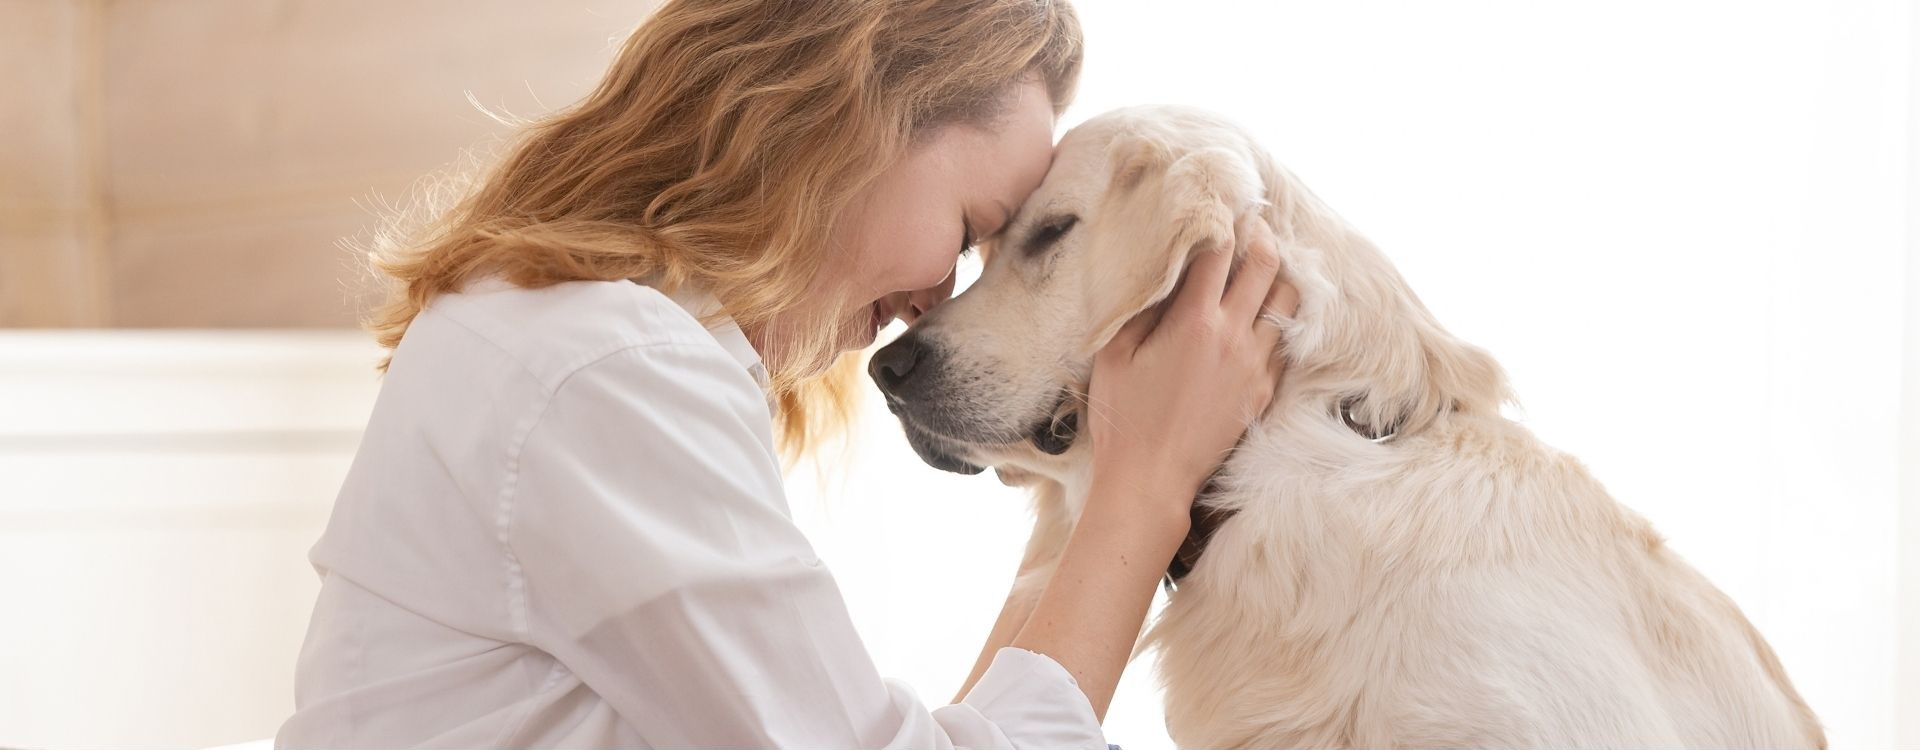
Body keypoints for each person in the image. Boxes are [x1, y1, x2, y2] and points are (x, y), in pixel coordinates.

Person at [278, 1, 1292, 747]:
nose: (939, 298)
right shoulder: (607, 369)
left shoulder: (567, 330)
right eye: (973, 231)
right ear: (849, 120)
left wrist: (1082, 507)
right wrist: (1144, 491)